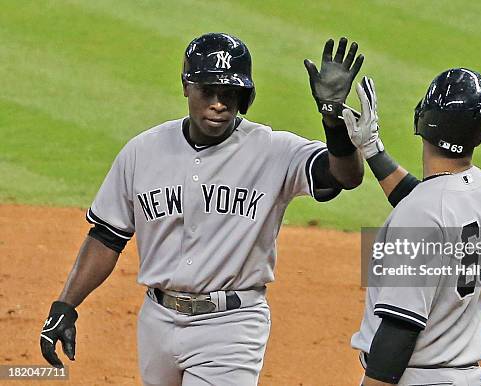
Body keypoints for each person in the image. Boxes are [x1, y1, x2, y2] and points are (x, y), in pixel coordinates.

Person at [39, 32, 364, 386]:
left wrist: (333, 123)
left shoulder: (273, 150)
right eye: (207, 91)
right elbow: (107, 236)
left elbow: (345, 175)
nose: (218, 104)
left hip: (230, 327)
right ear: (185, 87)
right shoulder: (142, 152)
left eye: (229, 94)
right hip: (157, 323)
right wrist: (66, 305)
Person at [344, 70, 481, 385]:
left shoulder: (422, 214)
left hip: (418, 377)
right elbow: (431, 206)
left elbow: (400, 329)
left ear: (421, 117)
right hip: (468, 376)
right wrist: (373, 150)